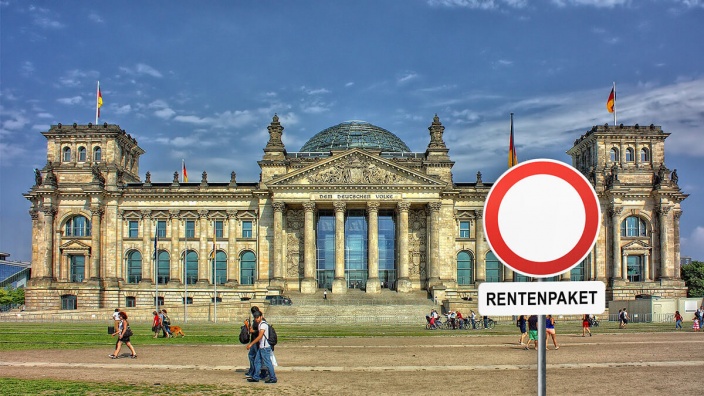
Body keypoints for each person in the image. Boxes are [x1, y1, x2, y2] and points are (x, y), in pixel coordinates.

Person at [247, 310, 277, 383]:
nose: (256, 319)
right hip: (261, 347)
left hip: (265, 347)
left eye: (257, 317)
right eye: (255, 318)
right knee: (257, 361)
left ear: (261, 317)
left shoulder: (263, 325)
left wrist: (251, 344)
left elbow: (260, 336)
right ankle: (256, 377)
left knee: (267, 363)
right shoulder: (260, 324)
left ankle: (273, 378)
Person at [245, 306, 263, 380]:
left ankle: (254, 371)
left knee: (253, 356)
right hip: (254, 340)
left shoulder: (260, 321)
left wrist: (251, 329)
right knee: (253, 356)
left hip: (256, 341)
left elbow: (261, 331)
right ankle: (253, 371)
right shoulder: (256, 320)